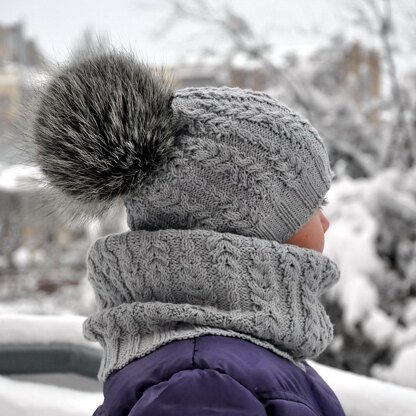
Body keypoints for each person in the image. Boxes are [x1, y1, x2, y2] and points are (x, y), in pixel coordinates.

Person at [30, 49, 345, 416]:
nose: (326, 222)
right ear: (242, 228)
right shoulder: (202, 381)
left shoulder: (223, 359)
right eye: (314, 203)